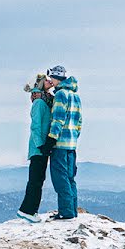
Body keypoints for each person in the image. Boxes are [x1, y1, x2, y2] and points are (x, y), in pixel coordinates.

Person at [39, 65, 82, 220]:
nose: (50, 81)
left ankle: (66, 212)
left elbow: (58, 119)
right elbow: (79, 122)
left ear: (56, 78)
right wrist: (74, 137)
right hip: (72, 145)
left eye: (51, 78)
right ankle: (72, 210)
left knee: (60, 178)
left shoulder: (61, 95)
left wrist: (51, 140)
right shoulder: (75, 96)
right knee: (70, 178)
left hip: (60, 145)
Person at [17, 74, 54, 223]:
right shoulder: (39, 103)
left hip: (40, 148)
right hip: (39, 148)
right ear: (39, 84)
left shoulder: (44, 101)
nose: (48, 81)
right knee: (36, 180)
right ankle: (28, 211)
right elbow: (36, 126)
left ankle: (29, 210)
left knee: (37, 179)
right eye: (45, 80)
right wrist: (41, 145)